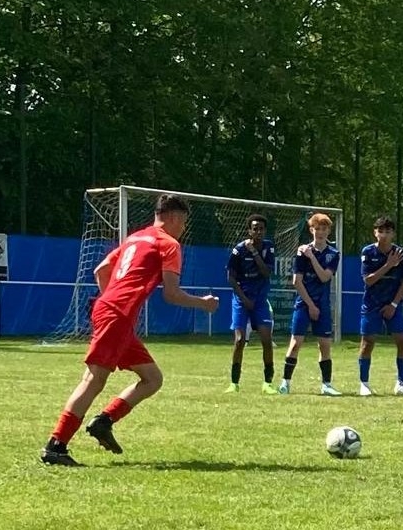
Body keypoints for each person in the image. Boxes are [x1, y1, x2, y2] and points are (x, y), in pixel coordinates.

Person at [39, 194, 219, 466]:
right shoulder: (169, 244)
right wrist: (203, 304)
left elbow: (101, 270)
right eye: (183, 223)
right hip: (117, 316)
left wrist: (111, 300)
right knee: (93, 380)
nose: (183, 229)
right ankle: (56, 446)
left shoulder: (135, 238)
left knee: (152, 378)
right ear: (174, 217)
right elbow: (171, 294)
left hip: (112, 312)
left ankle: (104, 421)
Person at [280, 212, 342, 396]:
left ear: (328, 231)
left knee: (324, 345)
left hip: (322, 304)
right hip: (304, 303)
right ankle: (285, 383)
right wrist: (310, 305)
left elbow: (324, 277)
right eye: (317, 228)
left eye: (324, 229)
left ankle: (326, 385)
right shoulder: (302, 252)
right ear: (311, 230)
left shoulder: (333, 254)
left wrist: (312, 257)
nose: (320, 232)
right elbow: (296, 281)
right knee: (295, 343)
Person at [359, 216, 403, 397]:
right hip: (372, 304)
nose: (384, 235)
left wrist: (394, 304)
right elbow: (368, 280)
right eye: (380, 231)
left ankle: (402, 384)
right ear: (375, 233)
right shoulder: (368, 252)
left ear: (393, 234)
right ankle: (364, 384)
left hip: (392, 304)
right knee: (367, 343)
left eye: (388, 231)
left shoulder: (400, 253)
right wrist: (388, 265)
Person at [225, 214, 277, 394]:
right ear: (249, 231)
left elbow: (266, 272)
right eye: (255, 229)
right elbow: (231, 278)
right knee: (240, 340)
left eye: (261, 229)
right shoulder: (239, 250)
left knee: (266, 340)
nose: (258, 232)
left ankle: (268, 383)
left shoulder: (268, 247)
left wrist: (254, 252)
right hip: (242, 298)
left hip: (260, 299)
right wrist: (244, 299)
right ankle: (234, 383)